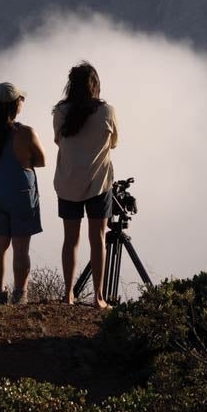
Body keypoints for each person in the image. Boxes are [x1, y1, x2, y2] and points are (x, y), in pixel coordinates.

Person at [51, 61, 119, 308]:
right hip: (99, 183)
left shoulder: (61, 112)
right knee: (98, 239)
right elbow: (113, 143)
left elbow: (58, 140)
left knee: (71, 240)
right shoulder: (107, 112)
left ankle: (69, 293)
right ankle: (98, 297)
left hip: (68, 182)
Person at [0, 82, 47, 304]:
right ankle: (20, 294)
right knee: (21, 247)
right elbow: (42, 160)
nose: (22, 102)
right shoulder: (26, 133)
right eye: (20, 99)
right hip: (21, 192)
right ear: (13, 104)